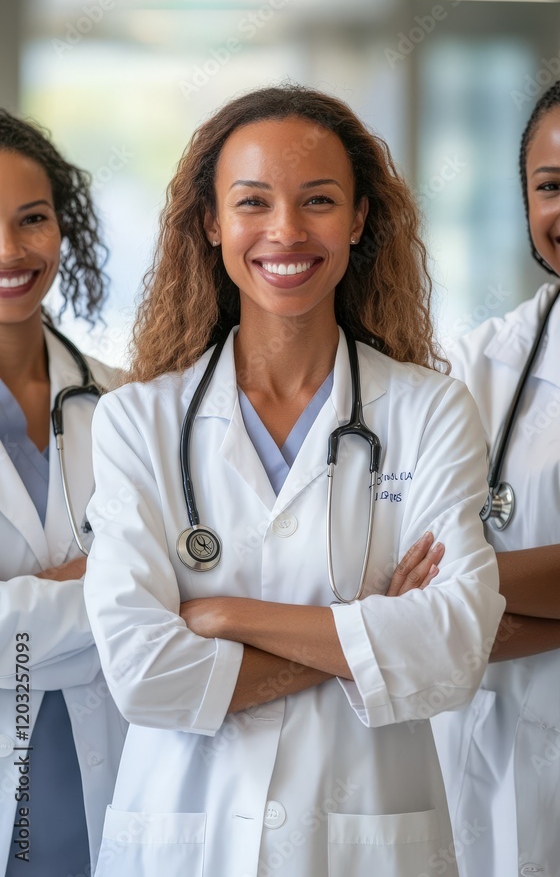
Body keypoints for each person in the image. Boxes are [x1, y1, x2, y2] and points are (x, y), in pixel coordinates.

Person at [83, 85, 504, 877]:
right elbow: (143, 676)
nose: (285, 231)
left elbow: (453, 651)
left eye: (318, 200)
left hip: (365, 844)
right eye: (253, 202)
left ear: (359, 219)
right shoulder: (138, 421)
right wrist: (372, 629)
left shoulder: (428, 409)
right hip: (187, 838)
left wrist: (224, 614)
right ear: (210, 223)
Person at [432, 80, 560, 877]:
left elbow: (445, 601)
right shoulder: (474, 369)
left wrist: (461, 598)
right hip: (492, 779)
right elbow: (407, 586)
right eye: (551, 186)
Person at [0, 110, 127, 877]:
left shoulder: (123, 403)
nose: (11, 252)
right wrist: (119, 590)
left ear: (64, 225)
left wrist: (27, 602)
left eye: (33, 219)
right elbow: (150, 597)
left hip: (110, 782)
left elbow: (177, 609)